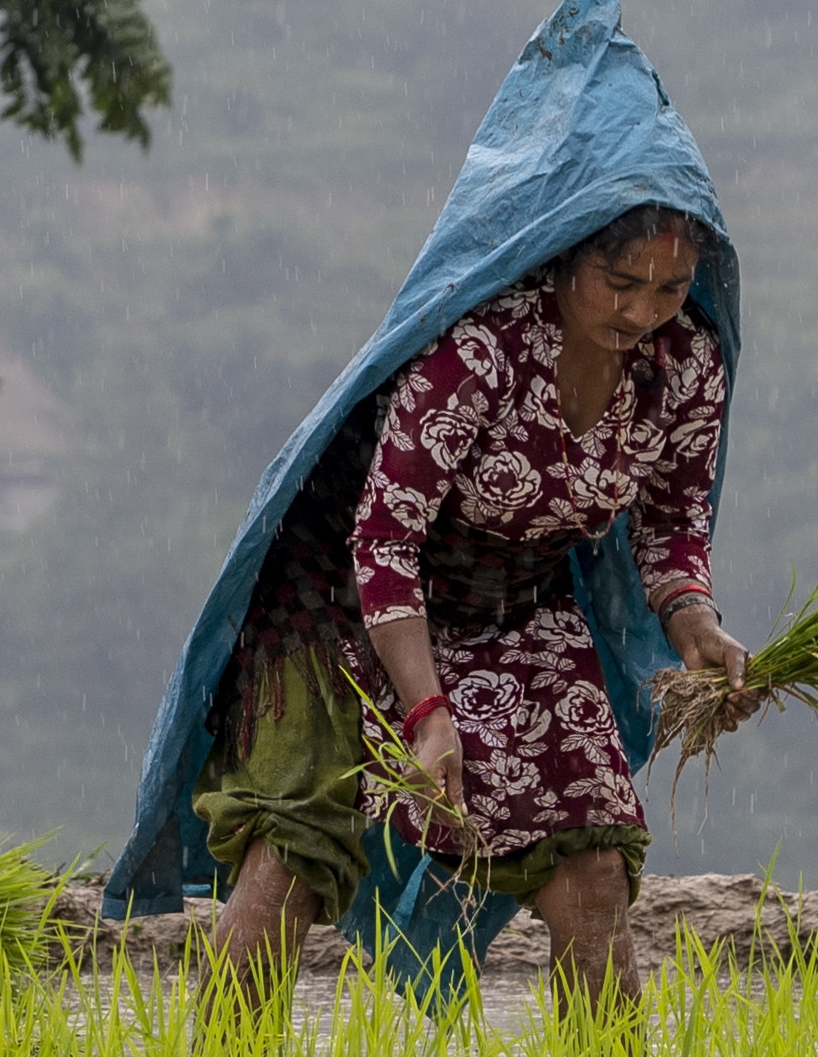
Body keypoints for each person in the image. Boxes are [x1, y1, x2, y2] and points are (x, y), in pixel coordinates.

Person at [191, 202, 748, 1014]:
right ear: (562, 261)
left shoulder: (685, 365)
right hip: (345, 595)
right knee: (296, 838)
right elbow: (383, 540)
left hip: (514, 596)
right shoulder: (480, 351)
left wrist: (694, 620)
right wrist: (425, 711)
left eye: (670, 289)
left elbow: (670, 524)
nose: (640, 312)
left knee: (590, 863)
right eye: (619, 282)